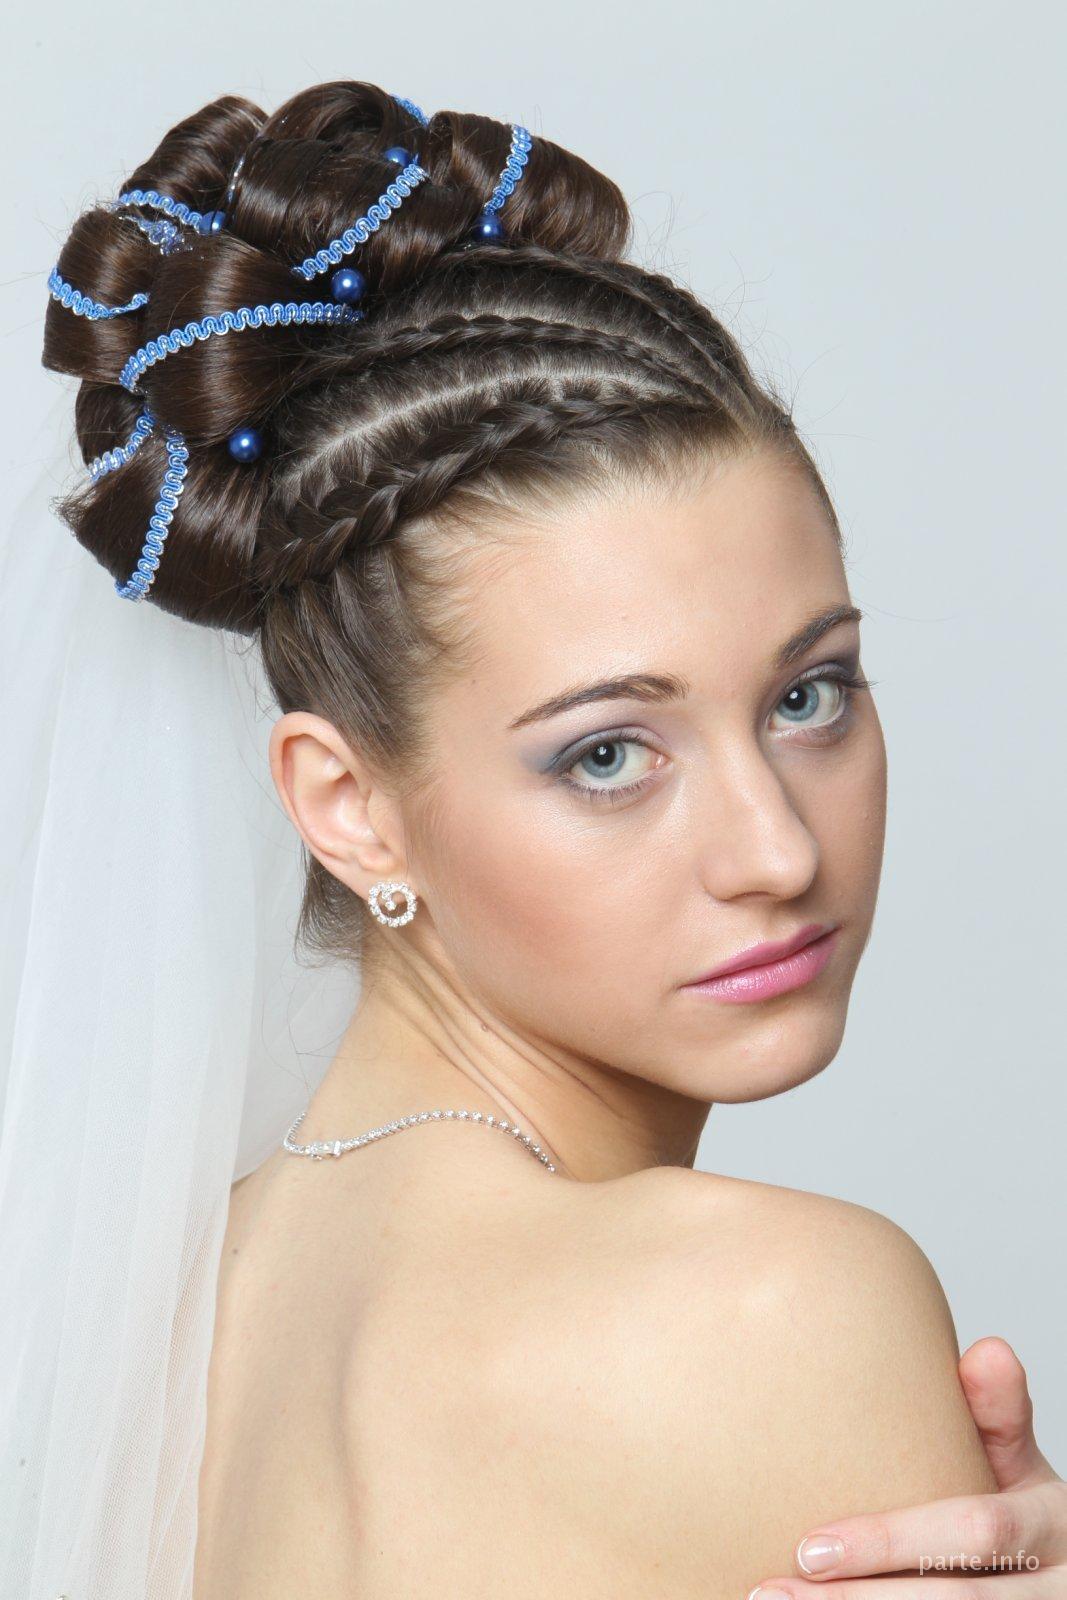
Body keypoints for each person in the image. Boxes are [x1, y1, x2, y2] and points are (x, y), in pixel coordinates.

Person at [3, 77, 1063, 1600]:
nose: (776, 853)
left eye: (808, 695)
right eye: (608, 756)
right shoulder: (766, 1308)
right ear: (348, 806)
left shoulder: (163, 1331)